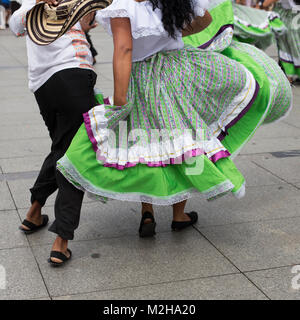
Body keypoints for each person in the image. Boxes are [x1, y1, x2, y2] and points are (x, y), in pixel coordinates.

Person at [44, 0, 291, 264]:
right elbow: (204, 21)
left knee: (134, 148)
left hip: (143, 80)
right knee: (182, 145)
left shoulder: (122, 5)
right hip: (180, 72)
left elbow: (125, 49)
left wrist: (119, 102)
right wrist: (168, 30)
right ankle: (178, 216)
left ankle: (90, 231)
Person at [10, 0, 99, 266]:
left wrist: (87, 20)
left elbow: (92, 20)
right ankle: (61, 240)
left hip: (44, 86)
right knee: (77, 155)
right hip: (70, 76)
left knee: (62, 148)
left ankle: (34, 212)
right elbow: (16, 23)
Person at [259, 0, 300, 83]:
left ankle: (289, 75)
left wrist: (262, 5)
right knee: (285, 44)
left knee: (292, 43)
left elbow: (267, 2)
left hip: (294, 14)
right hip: (288, 12)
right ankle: (289, 74)